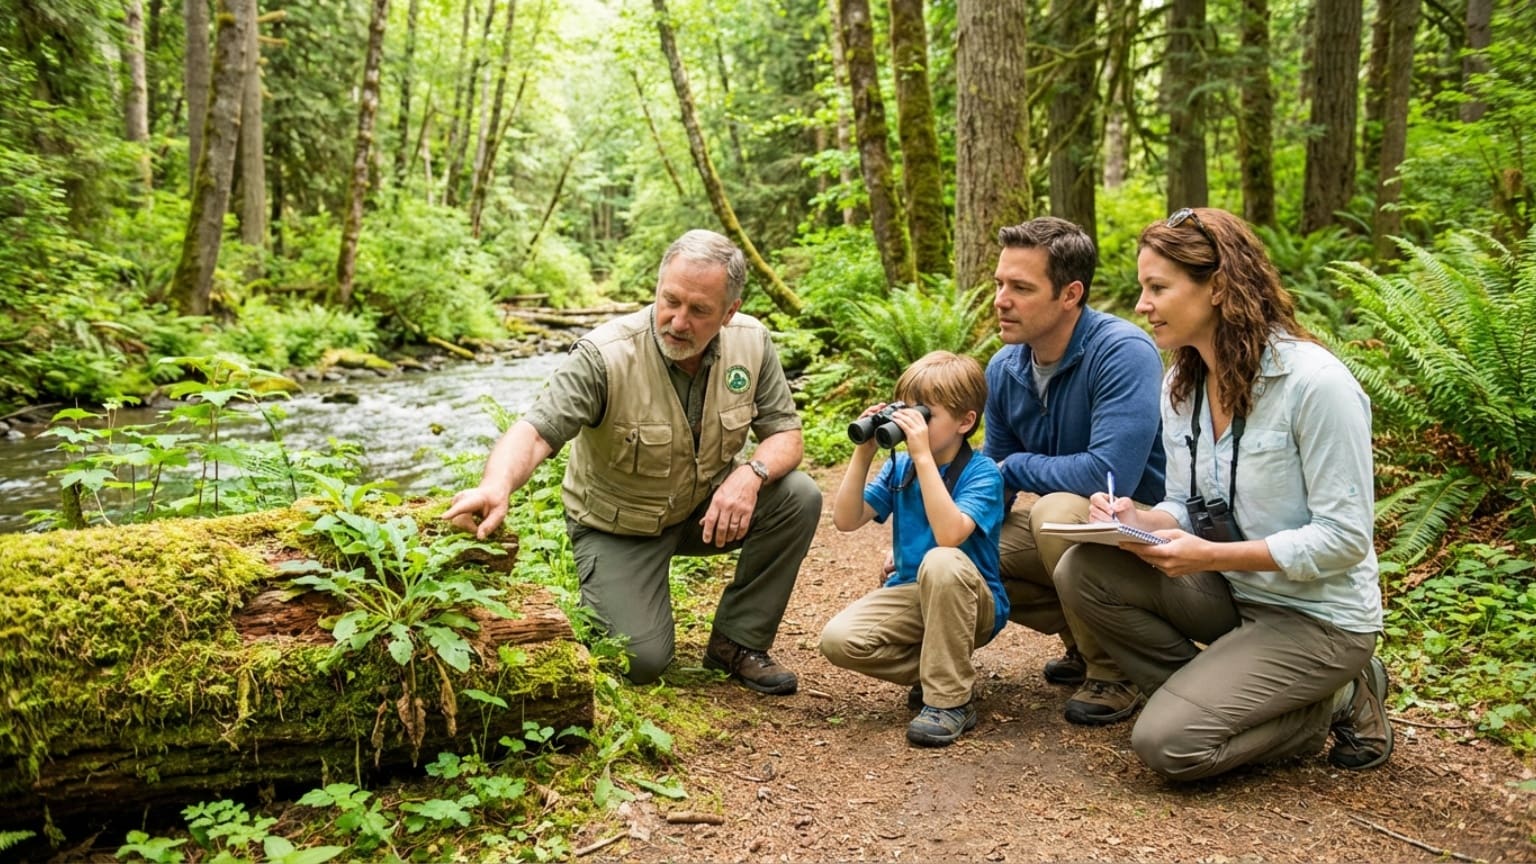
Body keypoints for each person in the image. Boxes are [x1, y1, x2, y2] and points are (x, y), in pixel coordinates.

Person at [1055, 207, 1390, 781]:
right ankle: (1218, 697)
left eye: (1158, 287)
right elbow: (1186, 504)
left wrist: (1208, 557)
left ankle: (1341, 696)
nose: (1142, 305)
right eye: (1144, 288)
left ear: (1218, 287)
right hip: (1233, 595)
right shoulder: (1182, 385)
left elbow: (1345, 540)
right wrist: (1139, 516)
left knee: (1169, 746)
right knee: (1081, 570)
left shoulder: (1316, 385)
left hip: (1317, 618)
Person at [444, 229, 822, 694]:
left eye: (699, 310)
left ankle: (737, 642)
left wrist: (750, 474)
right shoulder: (604, 355)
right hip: (617, 528)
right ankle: (624, 601)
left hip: (705, 510)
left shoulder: (753, 343)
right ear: (658, 287)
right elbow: (536, 430)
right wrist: (495, 485)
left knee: (798, 496)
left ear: (730, 312)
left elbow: (786, 435)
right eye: (670, 301)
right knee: (640, 661)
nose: (678, 321)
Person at [983, 217, 1167, 726]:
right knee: (973, 547)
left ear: (1070, 294)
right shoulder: (1005, 367)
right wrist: (940, 536)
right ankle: (1085, 644)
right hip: (1073, 534)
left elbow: (1110, 475)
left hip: (1142, 530)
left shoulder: (1122, 351)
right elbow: (992, 480)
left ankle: (1116, 670)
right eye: (999, 284)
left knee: (1057, 508)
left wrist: (1017, 465)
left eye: (1021, 288)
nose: (1001, 299)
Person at [820, 351, 1008, 747]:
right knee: (838, 639)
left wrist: (922, 455)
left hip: (971, 601)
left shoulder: (983, 473)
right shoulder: (900, 467)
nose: (912, 424)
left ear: (965, 421)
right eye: (906, 411)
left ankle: (949, 701)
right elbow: (846, 519)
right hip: (912, 591)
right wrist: (864, 452)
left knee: (941, 561)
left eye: (925, 415)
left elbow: (949, 536)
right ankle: (942, 669)